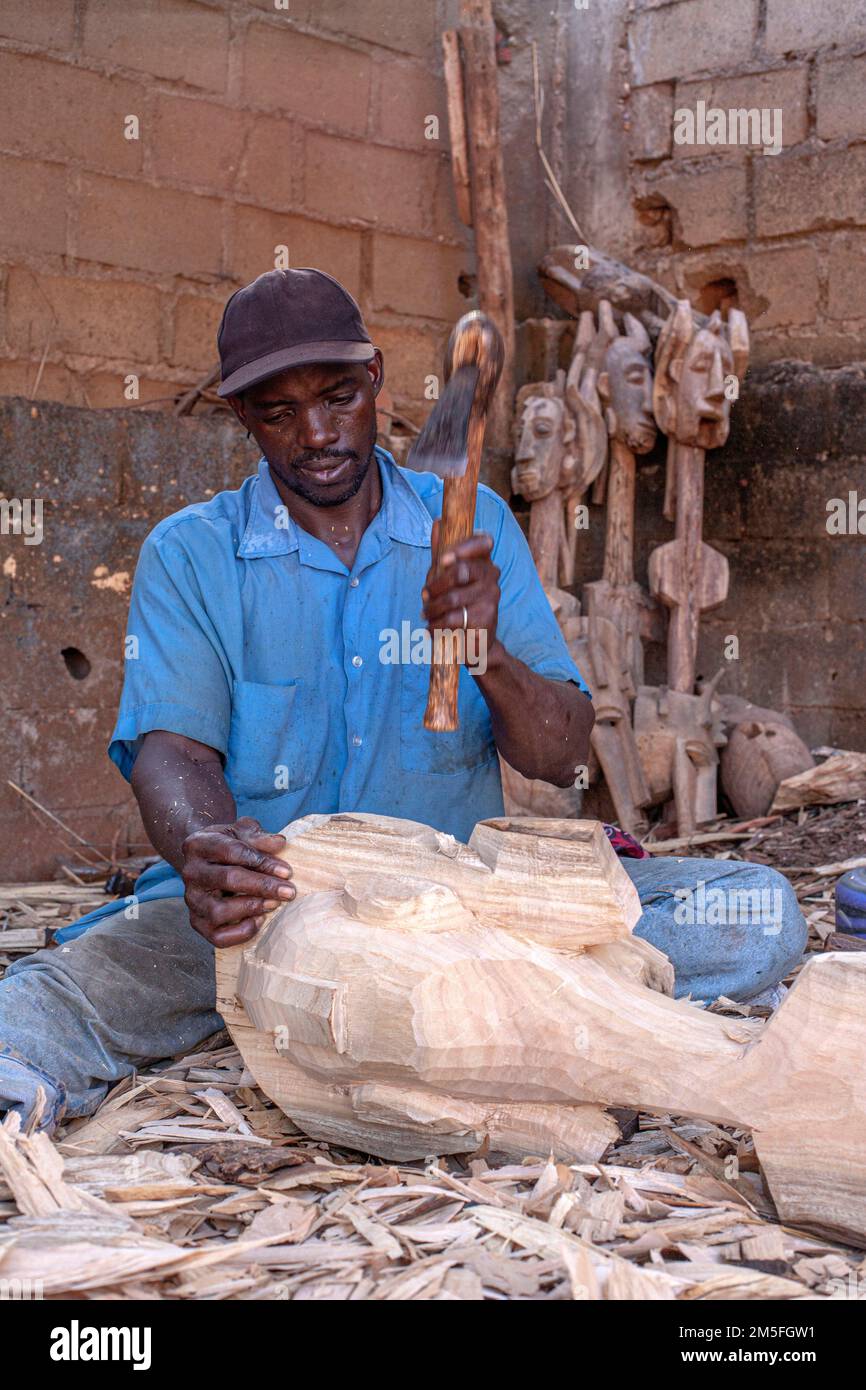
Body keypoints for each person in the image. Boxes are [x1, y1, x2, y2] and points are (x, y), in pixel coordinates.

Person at [0, 269, 806, 1129]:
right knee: (47, 1004)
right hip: (262, 921)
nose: (315, 433)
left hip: (458, 917)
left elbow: (562, 754)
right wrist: (206, 847)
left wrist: (486, 651)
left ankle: (408, 1026)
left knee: (755, 913)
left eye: (338, 397)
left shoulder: (475, 524)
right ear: (241, 416)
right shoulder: (191, 555)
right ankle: (456, 1032)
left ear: (376, 379)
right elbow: (173, 751)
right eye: (278, 413)